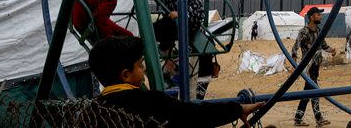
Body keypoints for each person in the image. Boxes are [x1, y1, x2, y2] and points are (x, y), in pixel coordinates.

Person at [89, 36, 263, 127]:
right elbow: (194, 115)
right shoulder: (150, 102)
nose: (143, 70)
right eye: (140, 65)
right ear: (126, 75)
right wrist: (237, 109)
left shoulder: (94, 109)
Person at [149, 0, 206, 78]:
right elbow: (163, 1)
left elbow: (199, 10)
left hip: (189, 24)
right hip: (173, 24)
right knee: (152, 28)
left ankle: (170, 64)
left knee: (168, 27)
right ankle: (168, 61)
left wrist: (181, 14)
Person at [291, 7, 336, 126]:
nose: (320, 17)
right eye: (318, 15)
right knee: (313, 90)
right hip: (308, 66)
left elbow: (324, 46)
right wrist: (294, 64)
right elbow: (295, 47)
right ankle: (316, 118)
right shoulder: (304, 32)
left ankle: (299, 118)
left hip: (316, 65)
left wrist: (332, 50)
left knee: (309, 90)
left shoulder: (319, 31)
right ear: (311, 17)